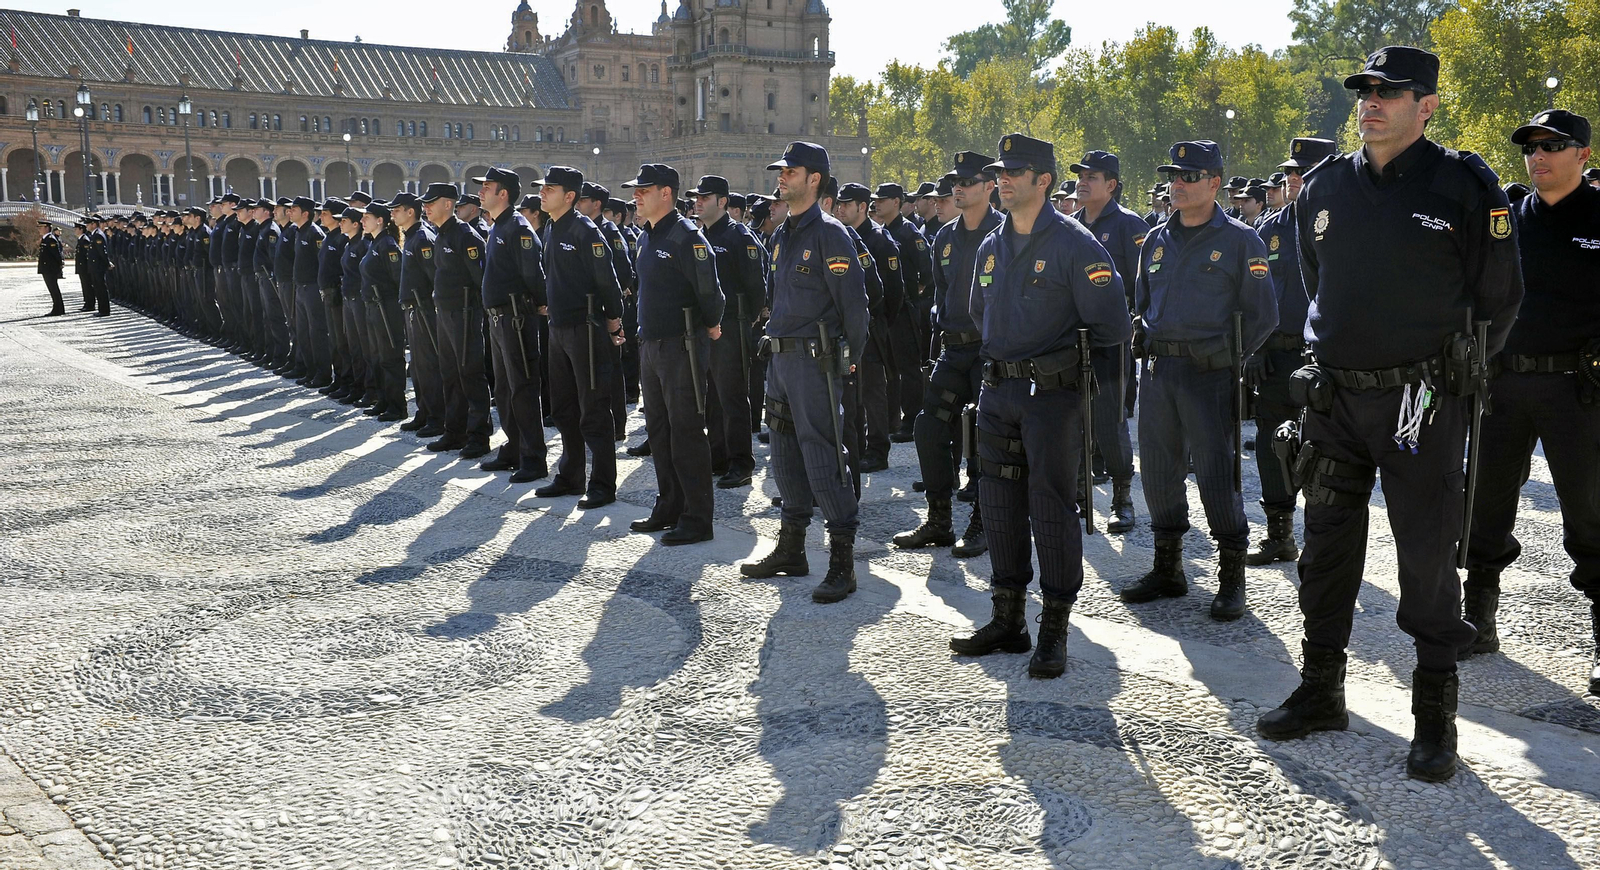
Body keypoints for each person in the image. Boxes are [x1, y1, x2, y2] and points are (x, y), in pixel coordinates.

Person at [1257, 47, 1525, 783]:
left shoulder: (1464, 187)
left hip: (1422, 401)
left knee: (1428, 558)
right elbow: (1320, 284)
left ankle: (1434, 717)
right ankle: (1321, 691)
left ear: (1428, 104)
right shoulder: (1326, 188)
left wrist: (1454, 376)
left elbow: (1499, 299)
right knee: (1326, 547)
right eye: (1364, 92)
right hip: (1336, 399)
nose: (1370, 103)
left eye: (1390, 92)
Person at [949, 133, 1132, 678]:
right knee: (999, 505)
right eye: (1000, 172)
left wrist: (1093, 408)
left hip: (1053, 399)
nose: (1001, 181)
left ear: (1043, 181)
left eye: (1015, 172)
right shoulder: (991, 244)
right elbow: (980, 313)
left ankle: (1053, 628)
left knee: (1052, 509)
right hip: (999, 392)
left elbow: (1112, 327)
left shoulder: (1076, 245)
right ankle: (1008, 619)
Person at [1463, 109, 1599, 697]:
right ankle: (1478, 617)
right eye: (1531, 147)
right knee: (1483, 502)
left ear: (1583, 156)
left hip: (1578, 389)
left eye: (1553, 145)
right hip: (1506, 383)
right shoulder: (1510, 219)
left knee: (1590, 514)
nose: (1538, 155)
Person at [1120, 140, 1277, 623]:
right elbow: (1142, 302)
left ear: (1214, 183)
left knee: (1215, 474)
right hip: (1159, 373)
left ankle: (1232, 577)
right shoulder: (1156, 239)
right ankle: (1168, 569)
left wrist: (1225, 357)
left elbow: (1263, 315)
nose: (1179, 185)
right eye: (1174, 176)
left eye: (1190, 177)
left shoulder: (1239, 240)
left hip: (1209, 376)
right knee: (1161, 473)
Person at [738, 142, 870, 604]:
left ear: (814, 179)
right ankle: (792, 549)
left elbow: (855, 307)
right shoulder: (781, 234)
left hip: (816, 362)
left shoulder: (831, 234)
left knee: (822, 452)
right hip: (781, 360)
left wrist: (847, 359)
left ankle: (842, 561)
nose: (781, 177)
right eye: (780, 170)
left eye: (789, 171)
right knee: (784, 450)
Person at [895, 152, 1002, 558]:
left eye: (968, 181)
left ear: (989, 186)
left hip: (989, 350)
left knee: (988, 435)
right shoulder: (944, 236)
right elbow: (940, 294)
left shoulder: (1005, 233)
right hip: (953, 349)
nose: (958, 188)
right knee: (929, 427)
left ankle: (984, 519)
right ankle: (939, 520)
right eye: (956, 181)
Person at [1245, 138, 1338, 566]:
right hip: (1277, 356)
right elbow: (1253, 294)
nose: (1293, 178)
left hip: (1324, 360)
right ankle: (1279, 533)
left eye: (1304, 170)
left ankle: (1325, 540)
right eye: (1290, 171)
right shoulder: (1269, 228)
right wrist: (1255, 346)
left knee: (1324, 452)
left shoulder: (1344, 221)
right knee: (1270, 445)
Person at [625, 164, 725, 544]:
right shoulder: (647, 236)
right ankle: (669, 504)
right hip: (652, 344)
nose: (636, 195)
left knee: (686, 431)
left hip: (681, 345)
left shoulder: (687, 237)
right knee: (659, 430)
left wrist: (711, 325)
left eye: (643, 189)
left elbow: (710, 293)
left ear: (666, 193)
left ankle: (697, 517)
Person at [533, 165, 625, 508]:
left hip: (586, 330)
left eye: (550, 188)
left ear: (569, 196)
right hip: (558, 328)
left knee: (594, 411)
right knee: (563, 408)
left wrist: (614, 322)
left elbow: (607, 281)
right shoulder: (552, 228)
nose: (543, 192)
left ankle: (602, 484)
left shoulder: (586, 231)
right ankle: (570, 475)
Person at [1070, 150, 1148, 534]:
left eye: (1092, 177)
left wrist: (1135, 326)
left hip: (1111, 340)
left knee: (1109, 419)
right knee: (1072, 416)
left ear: (1112, 185)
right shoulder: (1069, 225)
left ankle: (1122, 497)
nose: (1083, 182)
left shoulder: (1128, 225)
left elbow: (1143, 286)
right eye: (1081, 176)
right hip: (1072, 340)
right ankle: (1080, 492)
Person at [689, 174, 766, 488]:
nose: (698, 202)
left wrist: (746, 321)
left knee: (733, 395)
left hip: (732, 324)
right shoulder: (698, 235)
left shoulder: (739, 236)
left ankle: (740, 462)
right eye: (697, 197)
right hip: (707, 325)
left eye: (705, 198)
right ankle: (718, 455)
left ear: (722, 201)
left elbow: (755, 285)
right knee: (711, 397)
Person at [475, 168, 550, 482]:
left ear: (503, 193)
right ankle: (515, 446)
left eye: (487, 187)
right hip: (498, 318)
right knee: (504, 389)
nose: (481, 192)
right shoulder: (499, 226)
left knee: (522, 387)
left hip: (516, 317)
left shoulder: (518, 227)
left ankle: (534, 457)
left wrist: (540, 303)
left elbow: (533, 273)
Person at [833, 181, 903, 474]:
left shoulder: (878, 240)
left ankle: (877, 448)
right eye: (840, 204)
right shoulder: (839, 236)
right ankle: (857, 446)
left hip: (872, 327)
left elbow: (893, 292)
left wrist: (878, 321)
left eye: (847, 204)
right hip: (849, 328)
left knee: (873, 390)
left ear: (862, 207)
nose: (841, 209)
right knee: (851, 391)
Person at [420, 183, 492, 458]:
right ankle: (455, 431)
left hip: (464, 313)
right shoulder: (441, 234)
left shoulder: (465, 235)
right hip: (446, 313)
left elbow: (480, 278)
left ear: (448, 204)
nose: (426, 207)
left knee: (470, 374)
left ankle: (478, 436)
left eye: (431, 202)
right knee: (450, 374)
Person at [872, 182, 933, 442]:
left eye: (883, 199)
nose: (877, 204)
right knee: (889, 368)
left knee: (908, 367)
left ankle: (911, 420)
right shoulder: (882, 232)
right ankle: (891, 419)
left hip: (905, 310)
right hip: (887, 308)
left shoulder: (909, 232)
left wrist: (915, 292)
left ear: (896, 202)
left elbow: (928, 270)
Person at [391, 191, 445, 438]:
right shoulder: (411, 236)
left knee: (429, 365)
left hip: (423, 310)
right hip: (413, 309)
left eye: (396, 209)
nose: (392, 213)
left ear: (410, 212)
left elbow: (434, 276)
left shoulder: (422, 237)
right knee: (419, 367)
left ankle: (437, 416)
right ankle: (424, 411)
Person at [357, 201, 408, 423]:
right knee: (377, 356)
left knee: (390, 357)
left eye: (366, 217)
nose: (362, 221)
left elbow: (398, 278)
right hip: (373, 306)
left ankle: (397, 405)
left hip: (386, 307)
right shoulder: (374, 243)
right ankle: (384, 400)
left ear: (380, 220)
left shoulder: (387, 245)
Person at [315, 198, 354, 401]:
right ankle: (338, 378)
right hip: (328, 294)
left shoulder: (342, 239)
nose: (321, 215)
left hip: (337, 294)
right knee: (334, 340)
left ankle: (347, 380)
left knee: (342, 340)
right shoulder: (329, 236)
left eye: (325, 212)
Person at [37, 221, 65, 316]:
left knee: (54, 289)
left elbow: (56, 254)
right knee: (52, 289)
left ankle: (58, 309)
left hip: (50, 269)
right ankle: (57, 307)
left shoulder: (50, 239)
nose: (39, 229)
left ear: (47, 228)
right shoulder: (45, 239)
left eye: (41, 227)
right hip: (47, 268)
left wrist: (59, 267)